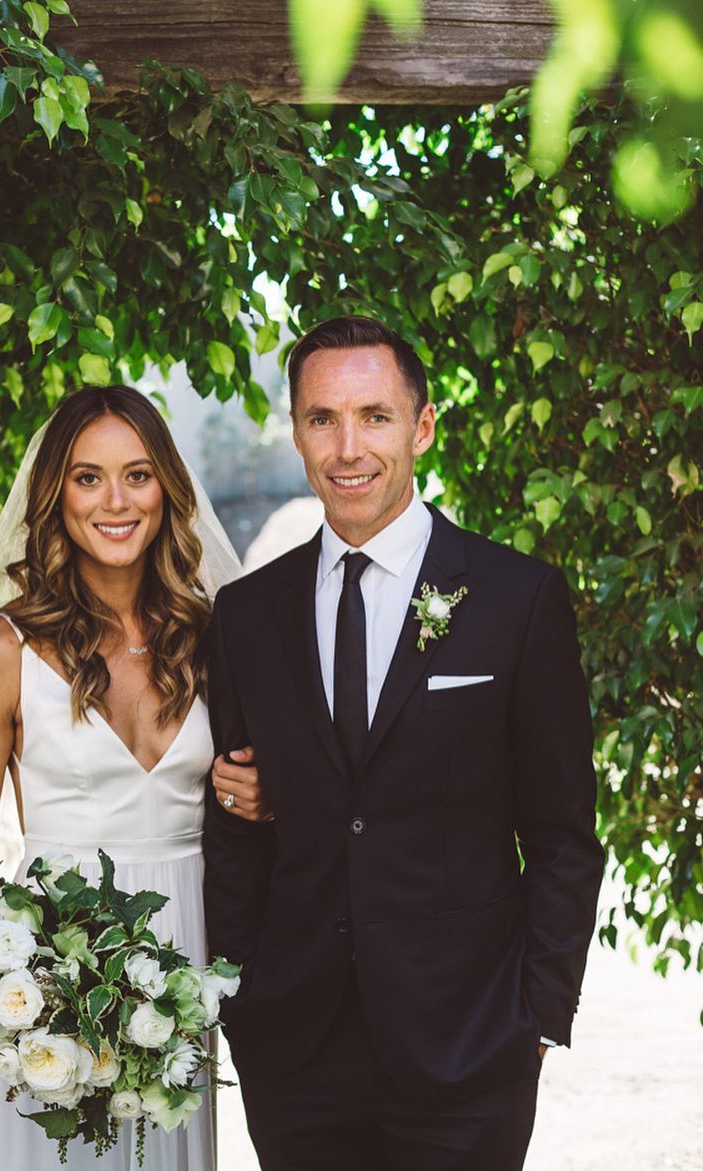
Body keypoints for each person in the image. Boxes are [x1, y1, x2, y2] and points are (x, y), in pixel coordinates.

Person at [204, 316, 604, 1171]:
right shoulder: (246, 614)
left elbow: (563, 831)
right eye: (322, 418)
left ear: (421, 427)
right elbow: (239, 822)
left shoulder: (516, 598)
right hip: (295, 1054)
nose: (347, 447)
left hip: (467, 1045)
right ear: (297, 429)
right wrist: (238, 998)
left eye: (374, 416)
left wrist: (537, 1015)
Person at [0, 385, 268, 1170]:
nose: (115, 501)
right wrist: (40, 1006)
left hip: (186, 963)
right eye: (88, 477)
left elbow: (257, 788)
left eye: (137, 474)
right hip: (52, 978)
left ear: (167, 486)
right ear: (56, 493)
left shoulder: (213, 639)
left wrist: (260, 799)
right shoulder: (0, 653)